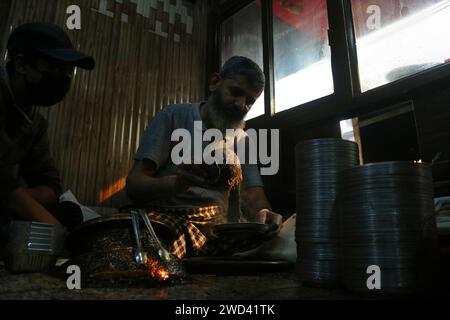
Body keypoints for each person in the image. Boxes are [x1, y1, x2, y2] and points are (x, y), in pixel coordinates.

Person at [126, 56, 282, 259]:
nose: (241, 105)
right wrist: (178, 183)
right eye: (235, 92)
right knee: (145, 248)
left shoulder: (243, 140)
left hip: (220, 226)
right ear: (215, 82)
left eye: (250, 101)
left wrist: (264, 213)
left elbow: (253, 195)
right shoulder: (173, 116)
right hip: (170, 218)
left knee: (282, 239)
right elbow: (134, 185)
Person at [0, 22, 95, 231]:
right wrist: (58, 234)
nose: (62, 78)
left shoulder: (35, 122)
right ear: (21, 64)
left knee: (69, 212)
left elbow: (50, 185)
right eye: (53, 68)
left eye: (68, 71)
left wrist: (14, 198)